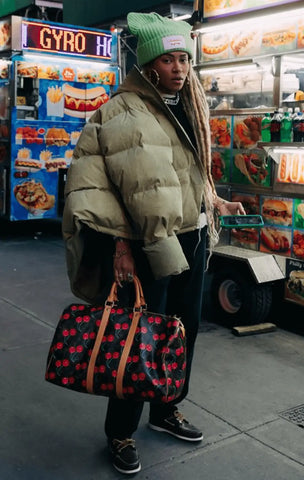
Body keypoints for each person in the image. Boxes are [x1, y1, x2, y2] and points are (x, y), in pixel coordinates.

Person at [62, 11, 245, 475]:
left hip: (193, 237)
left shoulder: (189, 106)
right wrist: (121, 245)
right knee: (137, 336)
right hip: (146, 245)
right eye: (168, 60)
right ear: (147, 65)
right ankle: (120, 431)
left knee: (183, 331)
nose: (180, 68)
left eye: (185, 58)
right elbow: (96, 187)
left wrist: (215, 203)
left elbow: (183, 176)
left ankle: (165, 409)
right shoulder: (118, 112)